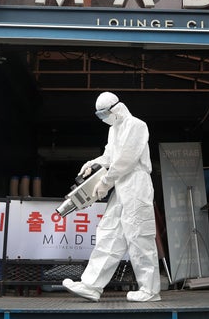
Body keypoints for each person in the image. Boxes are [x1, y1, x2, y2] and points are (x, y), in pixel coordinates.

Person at [62, 91, 161, 302]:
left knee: (139, 235)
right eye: (99, 116)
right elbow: (110, 156)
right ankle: (91, 285)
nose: (103, 119)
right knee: (109, 233)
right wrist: (93, 164)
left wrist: (105, 183)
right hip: (121, 184)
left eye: (104, 114)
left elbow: (126, 160)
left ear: (116, 109)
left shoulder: (137, 125)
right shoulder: (114, 130)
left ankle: (150, 290)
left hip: (136, 183)